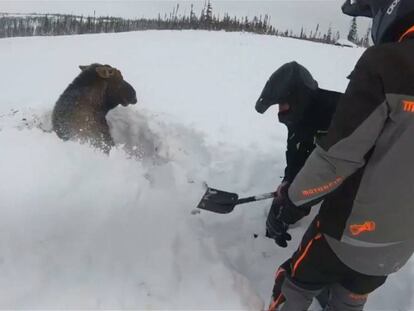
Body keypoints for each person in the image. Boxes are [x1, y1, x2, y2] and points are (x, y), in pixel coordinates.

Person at [263, 0, 414, 310]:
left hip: (346, 234)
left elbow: (337, 159)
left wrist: (291, 202)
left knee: (293, 284)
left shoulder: (387, 64)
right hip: (398, 248)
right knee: (349, 298)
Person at [256, 62, 342, 308]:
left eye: (283, 104)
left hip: (362, 194)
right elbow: (296, 154)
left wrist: (294, 204)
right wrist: (288, 181)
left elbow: (328, 173)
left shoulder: (337, 113)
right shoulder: (300, 117)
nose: (281, 111)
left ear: (299, 97)